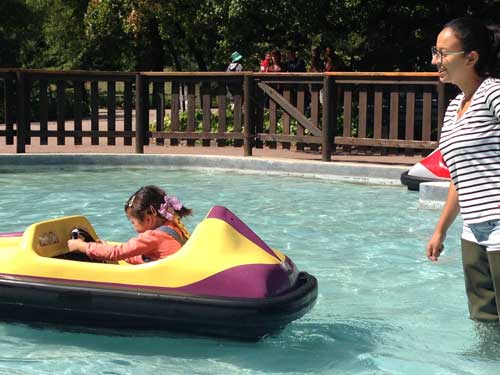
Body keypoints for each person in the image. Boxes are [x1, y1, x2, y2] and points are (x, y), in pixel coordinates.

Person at [426, 17, 500, 322]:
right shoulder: (454, 108)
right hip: (473, 230)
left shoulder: (494, 92)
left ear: (471, 58)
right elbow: (460, 175)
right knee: (484, 322)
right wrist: (441, 229)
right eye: (435, 52)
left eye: (443, 54)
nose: (435, 61)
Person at [67, 185, 192, 264]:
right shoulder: (173, 225)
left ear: (149, 217)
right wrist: (107, 249)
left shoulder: (153, 236)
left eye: (133, 222)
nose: (133, 226)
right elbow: (145, 258)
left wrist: (81, 246)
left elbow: (116, 253)